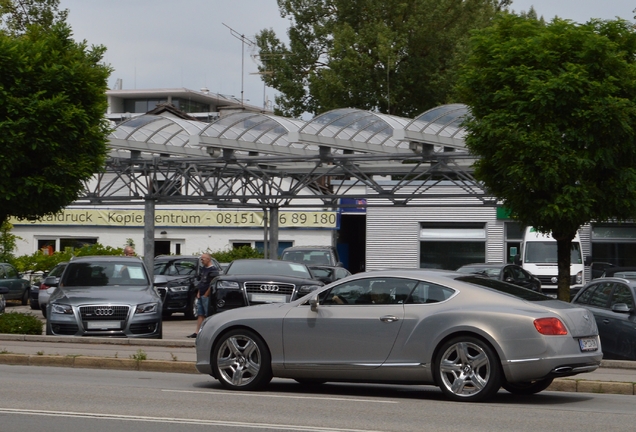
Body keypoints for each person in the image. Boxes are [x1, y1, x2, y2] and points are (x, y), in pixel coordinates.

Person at [188, 253, 217, 338]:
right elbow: (201, 281)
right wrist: (199, 292)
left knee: (208, 314)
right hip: (201, 294)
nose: (202, 260)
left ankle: (208, 332)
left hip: (206, 296)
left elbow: (212, 284)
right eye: (201, 259)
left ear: (208, 259)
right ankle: (197, 332)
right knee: (200, 314)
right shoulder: (203, 269)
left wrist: (206, 294)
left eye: (203, 259)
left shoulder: (213, 270)